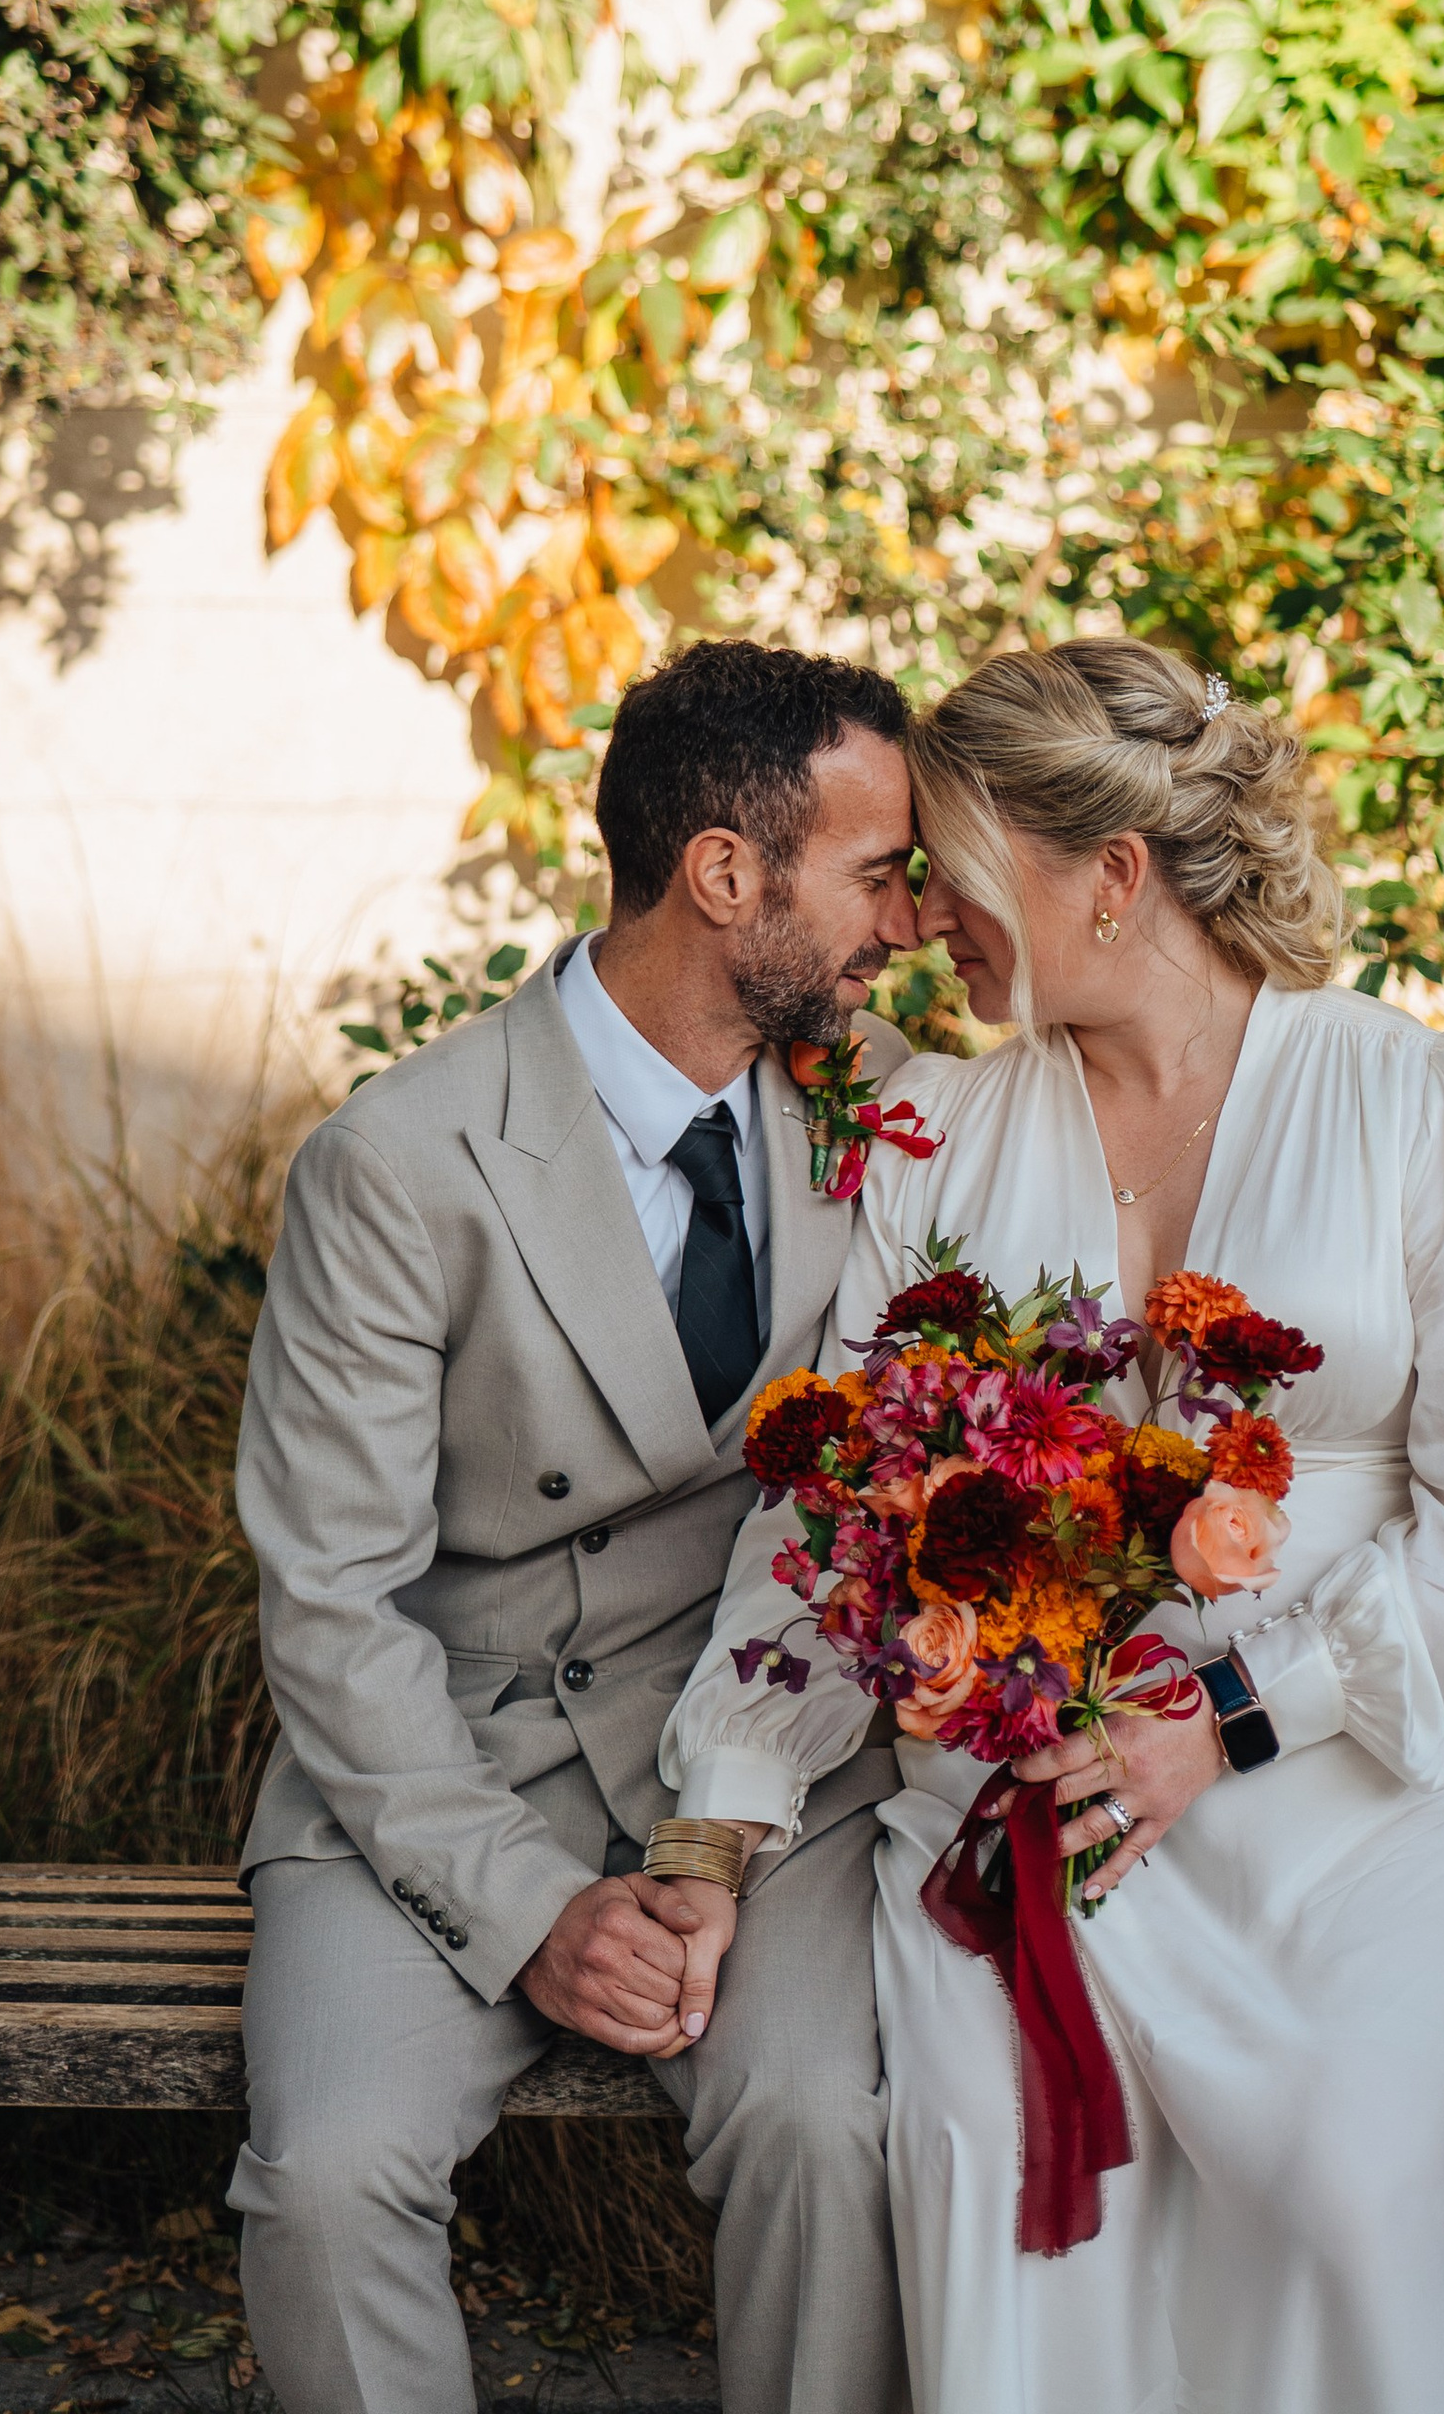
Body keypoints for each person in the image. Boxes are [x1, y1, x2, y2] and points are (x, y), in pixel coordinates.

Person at [660, 635, 1444, 2414]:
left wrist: (1232, 1720)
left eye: (953, 861)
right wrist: (725, 1810)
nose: (922, 918)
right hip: (1046, 1781)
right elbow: (831, 1506)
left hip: (1389, 1766)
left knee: (1352, 2164)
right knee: (983, 2132)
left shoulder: (1420, 1102)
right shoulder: (933, 1128)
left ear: (1113, 870)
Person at [228, 639, 925, 2414]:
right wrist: (535, 1907)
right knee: (326, 2179)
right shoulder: (403, 1162)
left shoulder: (885, 1100)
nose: (906, 924)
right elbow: (332, 1603)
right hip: (449, 1759)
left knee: (830, 2133)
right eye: (873, 873)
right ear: (724, 874)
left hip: (762, 1752)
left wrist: (718, 1832)